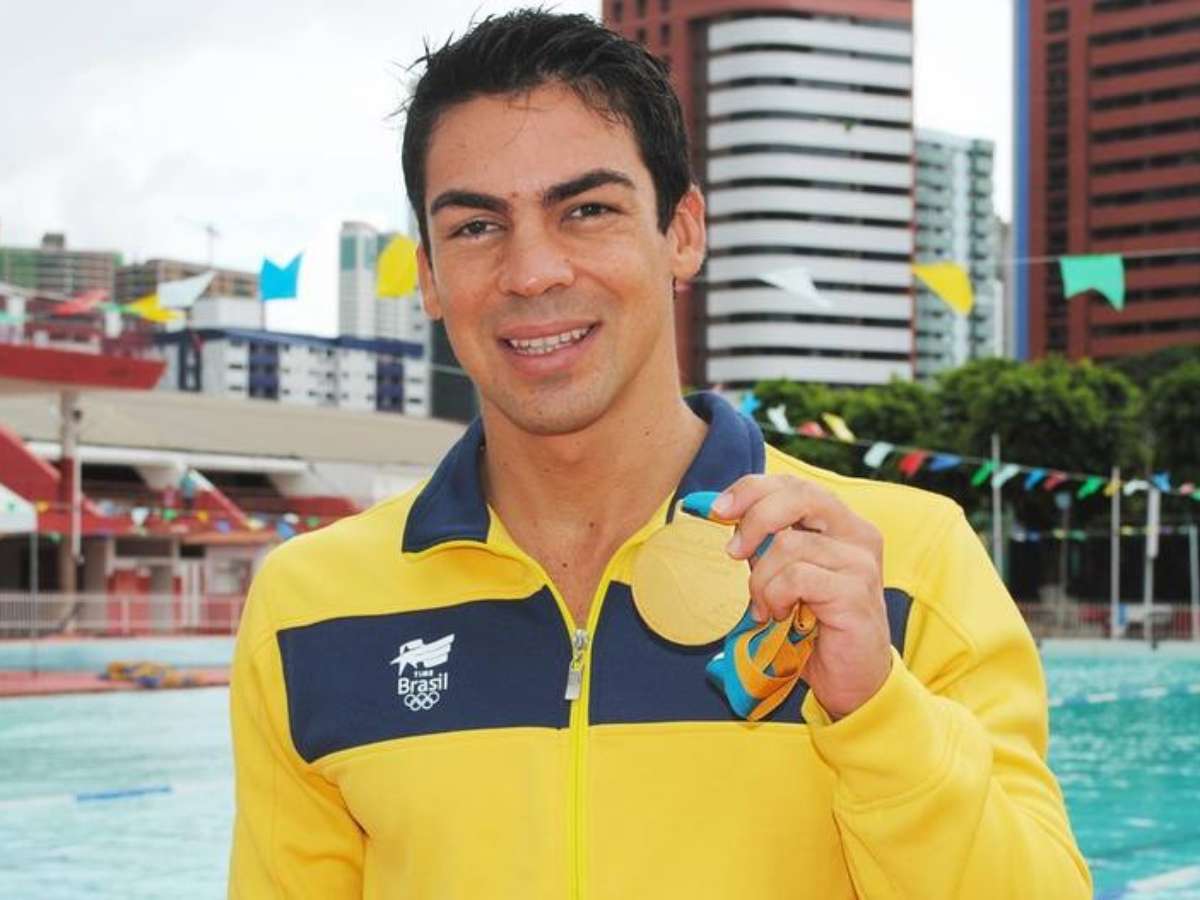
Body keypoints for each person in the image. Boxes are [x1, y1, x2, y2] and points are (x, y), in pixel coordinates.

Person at [228, 10, 1091, 898]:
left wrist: (875, 708)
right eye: (477, 227)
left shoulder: (903, 565)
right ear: (430, 277)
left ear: (683, 232)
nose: (532, 272)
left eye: (587, 210)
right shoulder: (311, 606)